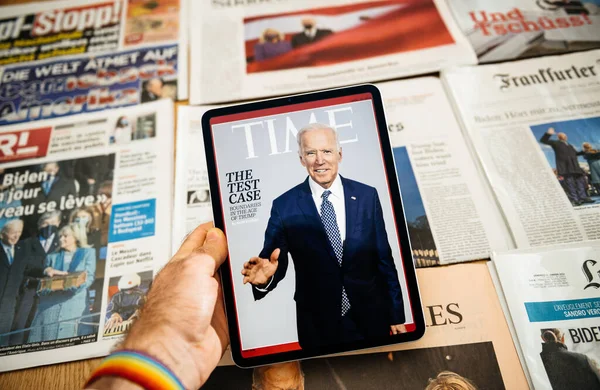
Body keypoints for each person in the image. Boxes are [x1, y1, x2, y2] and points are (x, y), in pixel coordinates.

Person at [241, 123, 406, 349]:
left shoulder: (367, 195)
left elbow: (383, 258)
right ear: (301, 159)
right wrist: (265, 280)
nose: (320, 160)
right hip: (317, 324)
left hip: (371, 316)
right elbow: (271, 262)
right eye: (311, 153)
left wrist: (396, 313)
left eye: (327, 151)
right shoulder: (284, 206)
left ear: (339, 154)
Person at [84, 223, 228, 389]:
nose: (129, 292)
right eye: (127, 290)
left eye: (131, 289)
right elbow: (113, 309)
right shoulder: (118, 297)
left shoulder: (138, 296)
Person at [28, 224, 96, 342]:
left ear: (75, 237)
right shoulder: (51, 257)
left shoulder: (87, 253)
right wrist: (52, 286)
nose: (61, 239)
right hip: (51, 307)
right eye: (60, 236)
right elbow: (44, 283)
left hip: (75, 305)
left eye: (65, 236)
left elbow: (89, 277)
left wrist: (73, 286)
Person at [540, 128, 593, 206]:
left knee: (580, 183)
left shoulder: (570, 146)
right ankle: (575, 200)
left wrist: (584, 151)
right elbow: (543, 140)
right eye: (561, 135)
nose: (564, 136)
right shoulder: (556, 143)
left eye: (564, 135)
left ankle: (583, 198)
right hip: (566, 168)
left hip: (575, 167)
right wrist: (548, 133)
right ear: (559, 137)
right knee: (570, 184)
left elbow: (576, 154)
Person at [0, 220, 26, 346]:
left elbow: (29, 267)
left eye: (19, 232)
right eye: (13, 233)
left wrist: (47, 269)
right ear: (2, 234)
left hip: (8, 307)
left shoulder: (21, 251)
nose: (16, 236)